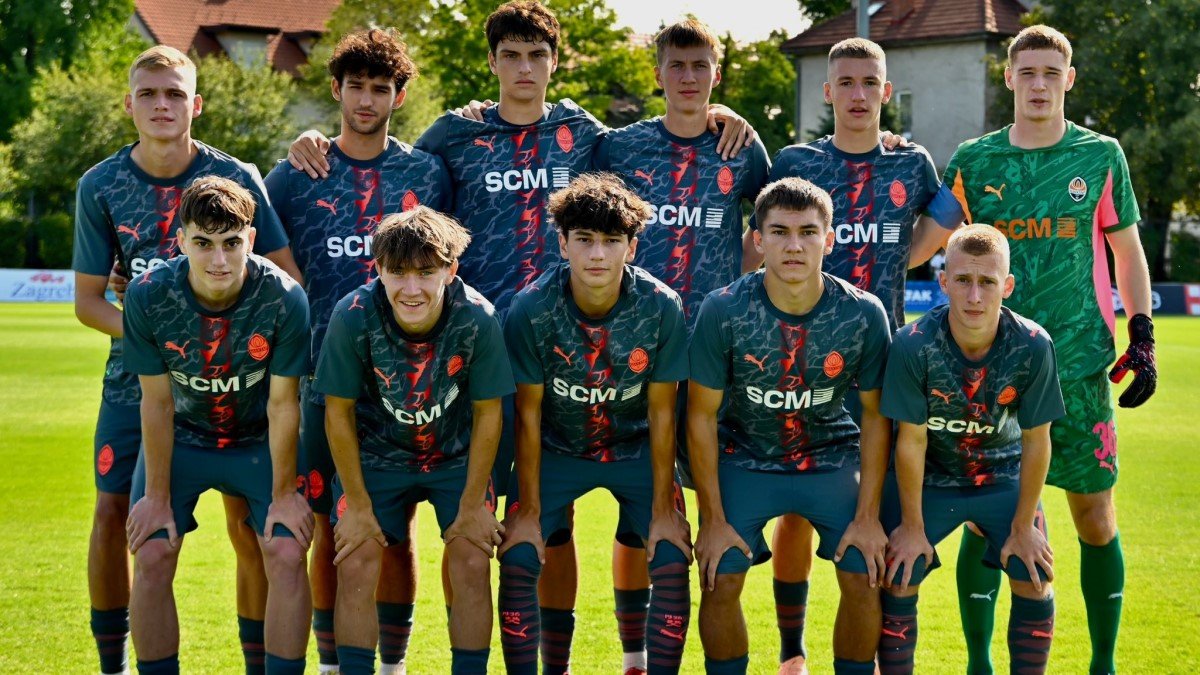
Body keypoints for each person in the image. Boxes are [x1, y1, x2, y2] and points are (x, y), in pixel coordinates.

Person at [285, 5, 755, 671]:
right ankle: (380, 659)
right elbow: (386, 152)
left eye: (537, 55)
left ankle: (612, 655)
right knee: (428, 523)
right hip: (461, 351)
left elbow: (669, 135)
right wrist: (316, 138)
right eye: (511, 55)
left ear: (555, 62)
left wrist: (717, 113)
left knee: (545, 521)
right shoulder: (455, 134)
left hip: (576, 347)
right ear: (493, 62)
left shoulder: (586, 134)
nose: (525, 68)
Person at [71, 44, 302, 675]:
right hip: (141, 380)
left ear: (195, 104)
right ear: (129, 104)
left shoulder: (237, 177)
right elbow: (88, 303)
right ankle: (114, 661)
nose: (161, 105)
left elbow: (282, 277)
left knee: (249, 525)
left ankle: (259, 658)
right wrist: (161, 341)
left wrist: (217, 346)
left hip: (240, 386)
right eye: (148, 94)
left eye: (174, 93)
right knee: (118, 513)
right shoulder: (101, 185)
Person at [933, 25, 1155, 675]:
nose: (1038, 84)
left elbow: (1127, 252)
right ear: (1008, 78)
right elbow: (932, 237)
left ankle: (1103, 663)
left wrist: (1142, 334)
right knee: (988, 519)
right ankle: (979, 662)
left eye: (1050, 73)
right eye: (1026, 72)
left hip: (1079, 366)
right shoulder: (974, 161)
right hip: (991, 371)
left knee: (1095, 515)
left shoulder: (1101, 155)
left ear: (1069, 79)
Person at [761, 37, 959, 673]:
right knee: (796, 509)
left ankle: (872, 655)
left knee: (878, 509)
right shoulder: (797, 162)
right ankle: (792, 652)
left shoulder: (911, 163)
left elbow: (941, 225)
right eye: (845, 82)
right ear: (828, 92)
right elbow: (759, 234)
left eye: (869, 82)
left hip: (884, 359)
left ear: (885, 91)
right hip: (799, 360)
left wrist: (901, 257)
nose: (857, 93)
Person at [264, 28, 452, 674]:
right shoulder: (296, 173)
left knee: (397, 531)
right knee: (329, 528)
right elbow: (247, 248)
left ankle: (392, 664)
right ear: (336, 90)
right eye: (355, 87)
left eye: (380, 88)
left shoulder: (425, 172)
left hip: (410, 383)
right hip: (321, 377)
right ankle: (332, 664)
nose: (367, 100)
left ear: (400, 95)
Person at [688, 177, 891, 674]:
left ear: (830, 238)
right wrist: (711, 519)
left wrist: (869, 518)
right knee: (719, 574)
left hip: (830, 457)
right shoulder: (723, 309)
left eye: (807, 232)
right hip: (746, 457)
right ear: (758, 240)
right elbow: (700, 415)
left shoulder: (863, 313)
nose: (794, 245)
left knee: (865, 570)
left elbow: (876, 417)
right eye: (779, 232)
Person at [497, 173, 692, 675]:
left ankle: (643, 664)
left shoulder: (660, 305)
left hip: (636, 447)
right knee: (519, 551)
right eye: (584, 240)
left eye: (611, 241)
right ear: (563, 244)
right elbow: (527, 413)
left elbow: (663, 411)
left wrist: (664, 506)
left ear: (632, 246)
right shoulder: (532, 308)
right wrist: (529, 510)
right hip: (556, 447)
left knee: (671, 551)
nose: (598, 254)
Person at [122, 177, 312, 674]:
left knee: (287, 550)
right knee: (152, 551)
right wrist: (156, 496)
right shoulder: (148, 295)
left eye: (231, 243)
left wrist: (284, 495)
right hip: (185, 437)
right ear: (181, 240)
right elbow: (157, 403)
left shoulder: (284, 297)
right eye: (203, 243)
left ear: (251, 239)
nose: (219, 260)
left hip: (257, 440)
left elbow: (283, 406)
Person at [314, 206, 512, 675]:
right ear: (378, 269)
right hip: (376, 455)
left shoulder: (477, 317)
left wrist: (473, 505)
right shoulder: (353, 315)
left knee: (471, 557)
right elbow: (337, 413)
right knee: (356, 557)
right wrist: (358, 506)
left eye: (426, 273)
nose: (411, 288)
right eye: (398, 272)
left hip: (454, 456)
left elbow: (489, 413)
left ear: (451, 269)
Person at [878, 224, 1063, 674]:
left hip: (1001, 475)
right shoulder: (913, 345)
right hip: (930, 479)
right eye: (962, 280)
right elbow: (911, 441)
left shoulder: (1033, 345)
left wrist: (1024, 525)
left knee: (1034, 573)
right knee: (898, 573)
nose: (974, 296)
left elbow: (1037, 440)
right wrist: (912, 527)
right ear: (943, 281)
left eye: (987, 282)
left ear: (1008, 286)